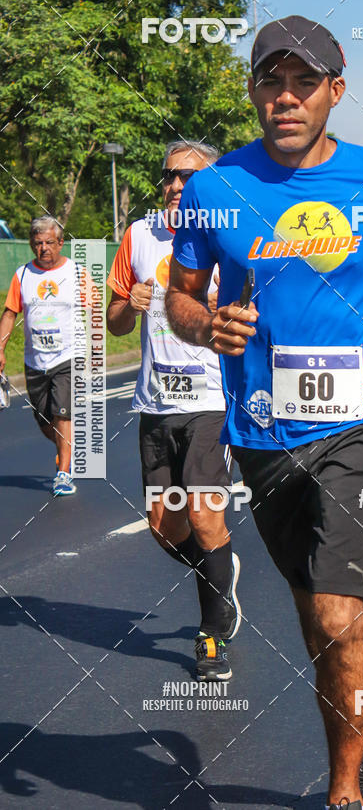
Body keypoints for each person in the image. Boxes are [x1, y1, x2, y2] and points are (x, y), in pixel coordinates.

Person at [165, 15, 363, 810]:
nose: (285, 97)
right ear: (254, 89)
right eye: (270, 80)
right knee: (316, 616)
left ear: (335, 90)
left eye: (303, 82)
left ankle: (346, 787)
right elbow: (180, 301)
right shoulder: (216, 189)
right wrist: (204, 323)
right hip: (260, 428)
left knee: (332, 608)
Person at [106, 140, 241, 681]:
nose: (177, 185)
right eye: (170, 175)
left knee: (207, 518)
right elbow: (115, 321)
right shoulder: (139, 237)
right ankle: (221, 577)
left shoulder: (227, 236)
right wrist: (128, 304)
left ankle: (211, 637)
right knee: (165, 527)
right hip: (155, 404)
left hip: (211, 402)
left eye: (189, 177)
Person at [0, 217, 79, 495]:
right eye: (37, 243)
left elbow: (95, 307)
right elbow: (10, 313)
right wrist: (0, 348)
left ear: (60, 243)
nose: (43, 248)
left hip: (67, 358)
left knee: (62, 414)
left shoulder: (76, 272)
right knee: (46, 421)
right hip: (35, 361)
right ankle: (64, 448)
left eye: (49, 243)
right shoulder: (23, 275)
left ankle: (63, 473)